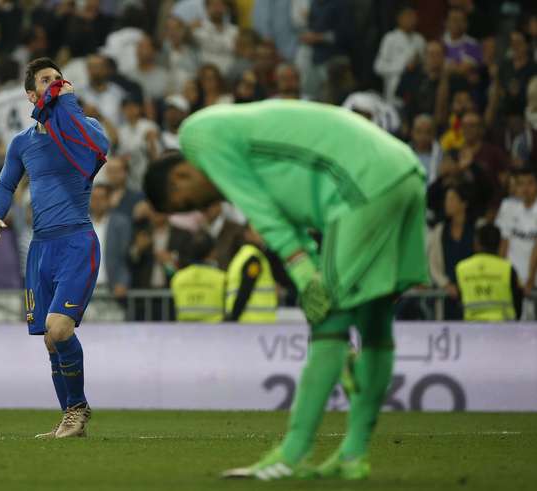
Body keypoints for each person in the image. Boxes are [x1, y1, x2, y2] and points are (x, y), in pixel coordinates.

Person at [143, 99, 428, 480]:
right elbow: (285, 216)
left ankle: (292, 453)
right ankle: (353, 455)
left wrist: (302, 270)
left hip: (359, 183)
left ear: (180, 176)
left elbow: (261, 211)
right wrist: (308, 267)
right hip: (402, 172)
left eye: (189, 202)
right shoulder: (248, 153)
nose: (202, 205)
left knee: (329, 324)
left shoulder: (197, 136)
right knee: (375, 323)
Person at [0, 58, 109, 439]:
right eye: (46, 80)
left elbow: (100, 150)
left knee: (59, 327)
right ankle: (70, 417)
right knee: (50, 342)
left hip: (77, 240)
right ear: (30, 94)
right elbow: (6, 183)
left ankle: (78, 409)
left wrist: (67, 102)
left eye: (59, 78)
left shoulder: (86, 127)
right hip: (41, 247)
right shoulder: (22, 142)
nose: (55, 83)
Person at [427, 186, 476, 320]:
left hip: (473, 291)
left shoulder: (476, 228)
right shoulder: (439, 230)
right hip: (447, 295)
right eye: (446, 199)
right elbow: (433, 263)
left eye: (452, 199)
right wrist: (445, 284)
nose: (447, 203)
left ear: (463, 203)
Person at [456, 224, 521, 321]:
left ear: (477, 243)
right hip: (504, 325)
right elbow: (518, 299)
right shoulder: (507, 268)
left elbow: (459, 299)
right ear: (499, 244)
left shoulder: (462, 268)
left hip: (472, 325)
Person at [373, 5, 425, 105]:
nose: (411, 20)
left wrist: (417, 63)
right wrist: (404, 66)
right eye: (408, 16)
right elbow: (378, 67)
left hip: (415, 92)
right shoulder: (390, 38)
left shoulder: (420, 39)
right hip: (393, 93)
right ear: (399, 19)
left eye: (413, 16)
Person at [225, 225, 278, 323]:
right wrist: (234, 317)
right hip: (256, 321)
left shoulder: (239, 257)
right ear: (247, 234)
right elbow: (245, 289)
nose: (262, 235)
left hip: (245, 321)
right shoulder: (253, 258)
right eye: (258, 231)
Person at [496, 167, 537, 291]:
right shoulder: (507, 207)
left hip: (533, 280)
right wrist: (500, 273)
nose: (525, 188)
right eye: (521, 184)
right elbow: (504, 242)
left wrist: (530, 279)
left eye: (530, 183)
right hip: (511, 276)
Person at [170, 232, 225, 322]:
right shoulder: (221, 278)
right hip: (214, 328)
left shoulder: (178, 278)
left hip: (185, 328)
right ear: (212, 252)